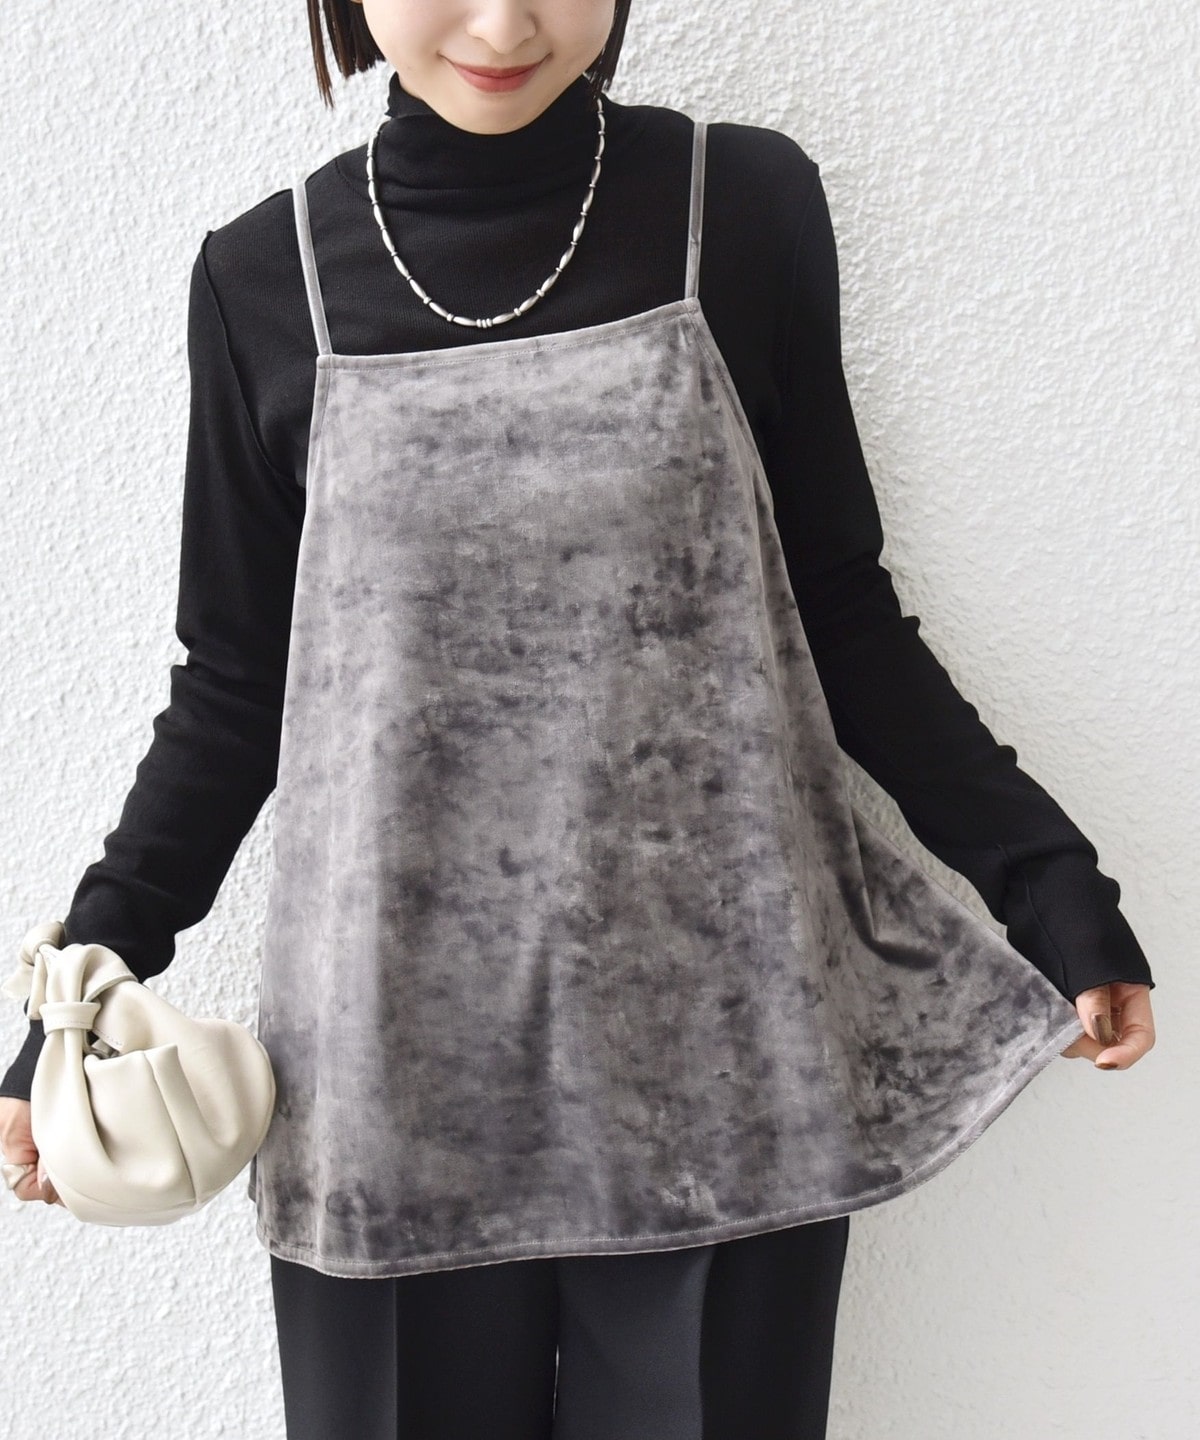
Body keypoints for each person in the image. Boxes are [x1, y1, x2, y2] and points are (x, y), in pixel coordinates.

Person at [0, 0, 1157, 1435]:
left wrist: (1048, 882)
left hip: (725, 1077)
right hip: (385, 1088)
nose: (504, 21)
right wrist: (83, 988)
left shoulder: (742, 210)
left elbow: (837, 613)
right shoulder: (263, 280)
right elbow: (236, 689)